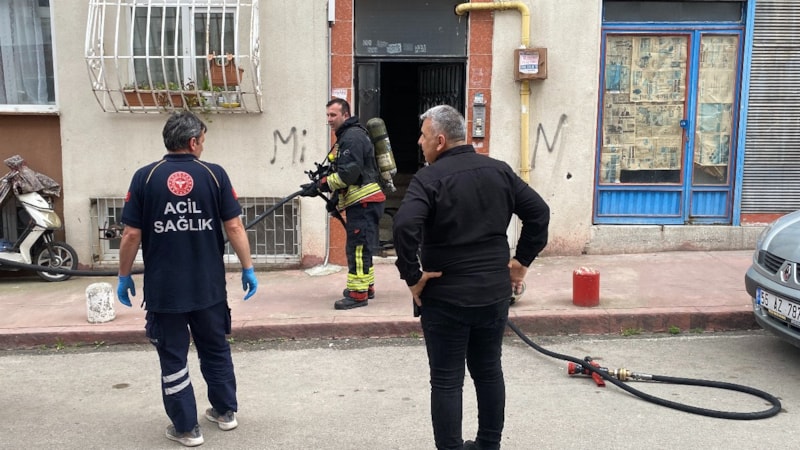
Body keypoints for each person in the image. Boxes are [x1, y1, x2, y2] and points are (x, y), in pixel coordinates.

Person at [392, 105, 550, 450]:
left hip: (445, 296)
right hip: (493, 293)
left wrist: (413, 277)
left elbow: (404, 225)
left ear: (440, 139)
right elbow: (539, 213)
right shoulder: (499, 171)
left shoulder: (428, 179)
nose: (419, 142)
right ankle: (488, 445)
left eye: (422, 135)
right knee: (488, 369)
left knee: (448, 381)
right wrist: (521, 262)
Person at [116, 111, 258, 447]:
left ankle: (186, 428)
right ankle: (225, 412)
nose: (203, 147)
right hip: (208, 287)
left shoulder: (145, 177)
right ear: (193, 142)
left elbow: (131, 234)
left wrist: (123, 275)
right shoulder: (215, 175)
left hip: (166, 290)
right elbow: (234, 226)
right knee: (214, 347)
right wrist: (248, 268)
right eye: (203, 141)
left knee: (173, 355)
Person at [302, 98, 385, 310]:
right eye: (328, 115)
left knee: (357, 248)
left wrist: (321, 185)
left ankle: (358, 295)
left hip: (364, 201)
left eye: (333, 115)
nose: (329, 119)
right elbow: (343, 173)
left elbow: (348, 174)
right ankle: (367, 287)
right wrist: (333, 198)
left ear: (345, 115)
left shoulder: (353, 138)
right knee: (362, 246)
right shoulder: (346, 137)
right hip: (362, 201)